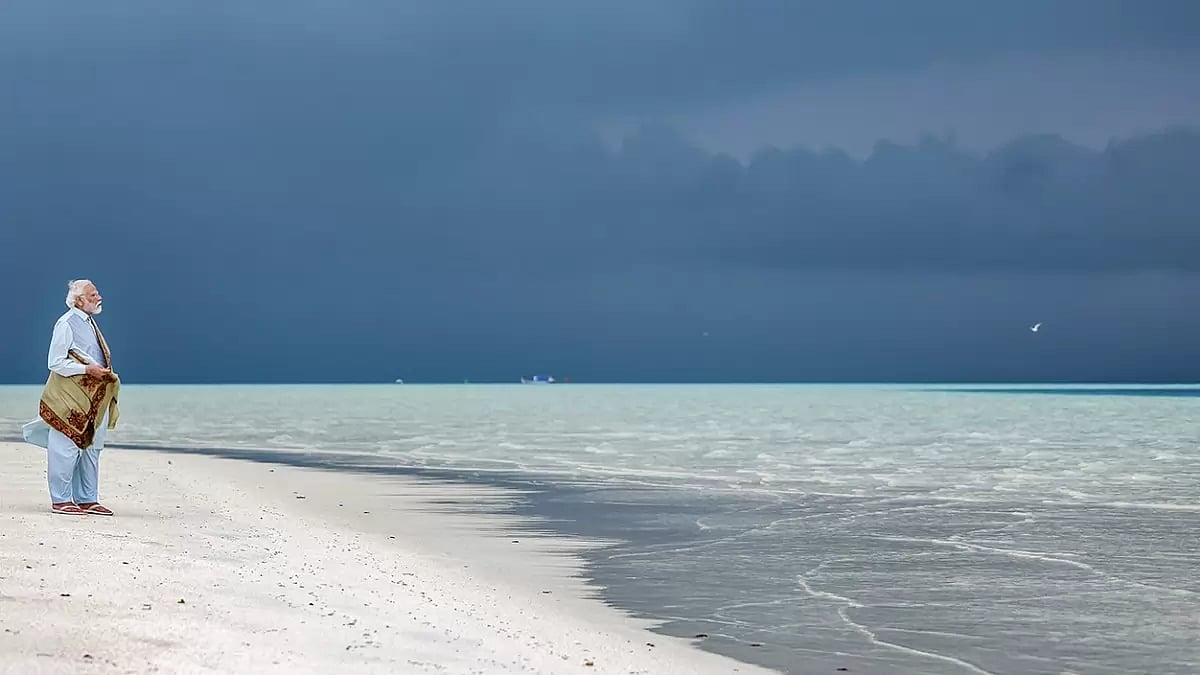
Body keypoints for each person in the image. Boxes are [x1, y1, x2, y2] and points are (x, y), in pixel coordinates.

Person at [21, 280, 121, 515]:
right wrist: (88, 370)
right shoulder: (66, 323)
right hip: (69, 396)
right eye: (93, 294)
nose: (99, 297)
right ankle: (61, 500)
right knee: (65, 447)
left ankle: (87, 498)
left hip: (93, 397)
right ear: (79, 300)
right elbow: (54, 362)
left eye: (97, 293)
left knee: (92, 446)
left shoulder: (90, 322)